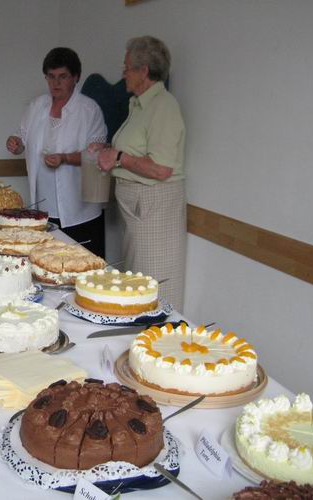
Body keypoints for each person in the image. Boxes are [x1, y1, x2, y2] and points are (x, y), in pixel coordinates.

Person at [97, 36, 186, 310]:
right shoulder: (137, 104)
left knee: (154, 287)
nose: (123, 73)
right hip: (137, 209)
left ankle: (157, 337)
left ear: (143, 70)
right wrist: (108, 150)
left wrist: (119, 157)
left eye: (126, 67)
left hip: (153, 208)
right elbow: (135, 151)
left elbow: (161, 168)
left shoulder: (164, 106)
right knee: (136, 286)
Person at [6, 47, 108, 257]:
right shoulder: (36, 106)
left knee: (83, 265)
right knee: (45, 264)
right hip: (42, 210)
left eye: (63, 76)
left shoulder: (89, 110)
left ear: (75, 77)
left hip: (79, 212)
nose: (56, 83)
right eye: (51, 77)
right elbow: (21, 139)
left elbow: (98, 156)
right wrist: (15, 144)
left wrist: (66, 158)